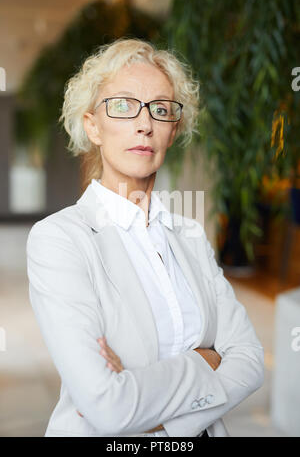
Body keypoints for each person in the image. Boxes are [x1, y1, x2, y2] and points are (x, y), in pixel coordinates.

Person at [26, 38, 264, 437]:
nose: (144, 123)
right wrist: (206, 359)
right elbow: (106, 407)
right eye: (122, 105)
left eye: (160, 109)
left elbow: (251, 361)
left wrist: (159, 416)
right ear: (92, 126)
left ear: (173, 131)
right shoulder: (59, 239)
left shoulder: (189, 235)